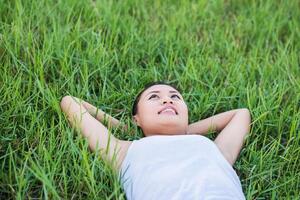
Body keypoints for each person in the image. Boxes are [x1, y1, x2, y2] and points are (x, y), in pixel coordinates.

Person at [60, 81, 251, 199]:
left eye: (175, 97)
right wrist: (126, 128)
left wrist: (183, 131)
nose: (168, 101)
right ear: (137, 118)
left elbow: (241, 114)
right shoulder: (122, 151)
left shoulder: (213, 149)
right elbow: (70, 102)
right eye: (154, 97)